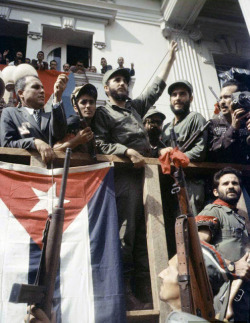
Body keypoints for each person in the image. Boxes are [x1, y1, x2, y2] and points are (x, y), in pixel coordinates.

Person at [94, 41, 177, 310]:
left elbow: (154, 90)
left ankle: (145, 290)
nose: (122, 83)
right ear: (106, 87)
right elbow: (98, 143)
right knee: (126, 233)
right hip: (124, 177)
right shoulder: (104, 112)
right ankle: (122, 290)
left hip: (146, 176)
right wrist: (126, 149)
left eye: (125, 80)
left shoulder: (133, 108)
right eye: (116, 80)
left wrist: (170, 59)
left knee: (146, 234)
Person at [159, 80, 208, 257]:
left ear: (190, 98)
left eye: (182, 94)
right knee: (175, 233)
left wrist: (180, 157)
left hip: (191, 184)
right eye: (174, 95)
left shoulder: (196, 118)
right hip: (171, 186)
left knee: (192, 231)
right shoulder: (166, 127)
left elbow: (200, 151)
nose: (178, 98)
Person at [196, 167, 250, 322]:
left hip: (242, 292)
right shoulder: (213, 211)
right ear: (215, 192)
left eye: (235, 183)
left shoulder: (239, 217)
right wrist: (231, 267)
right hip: (222, 292)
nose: (231, 186)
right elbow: (199, 248)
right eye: (225, 183)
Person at [1, 73, 68, 164]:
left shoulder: (51, 116)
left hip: (51, 172)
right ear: (21, 93)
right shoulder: (10, 113)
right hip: (23, 171)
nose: (42, 91)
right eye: (36, 87)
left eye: (42, 88)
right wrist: (34, 142)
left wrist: (57, 97)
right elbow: (6, 144)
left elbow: (60, 135)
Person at [207, 79, 250, 165]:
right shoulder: (212, 124)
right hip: (222, 175)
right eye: (221, 98)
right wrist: (233, 128)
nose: (222, 102)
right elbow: (213, 153)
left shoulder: (247, 123)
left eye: (227, 97)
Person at [53, 83, 96, 152]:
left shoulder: (99, 123)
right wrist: (77, 140)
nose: (88, 106)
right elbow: (55, 150)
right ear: (75, 108)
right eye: (83, 102)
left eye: (91, 102)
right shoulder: (72, 124)